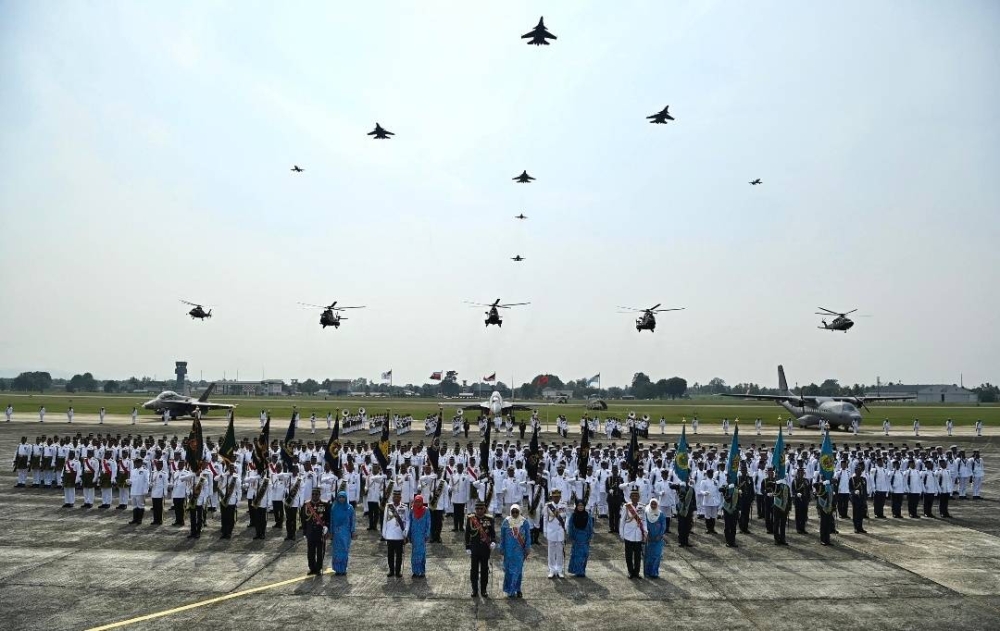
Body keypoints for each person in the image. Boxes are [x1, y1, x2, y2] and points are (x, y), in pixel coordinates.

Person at [466, 500, 497, 598]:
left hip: (485, 549)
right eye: (477, 509)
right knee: (474, 570)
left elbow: (492, 533)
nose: (479, 511)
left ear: (484, 509)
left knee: (484, 569)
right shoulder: (471, 519)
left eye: (481, 509)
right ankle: (474, 589)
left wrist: (493, 542)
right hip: (474, 548)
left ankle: (483, 589)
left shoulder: (490, 519)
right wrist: (467, 547)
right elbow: (467, 533)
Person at [499, 504, 529, 598]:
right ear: (510, 512)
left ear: (519, 512)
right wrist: (502, 548)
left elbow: (528, 536)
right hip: (508, 550)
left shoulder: (524, 522)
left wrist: (527, 547)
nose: (515, 513)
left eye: (517, 511)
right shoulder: (506, 522)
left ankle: (518, 589)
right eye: (513, 512)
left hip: (519, 550)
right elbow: (502, 537)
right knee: (509, 570)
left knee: (518, 570)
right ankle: (509, 590)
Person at [382, 488, 409, 578]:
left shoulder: (404, 507)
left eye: (398, 497)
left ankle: (397, 571)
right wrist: (384, 533)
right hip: (389, 535)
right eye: (395, 497)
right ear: (392, 497)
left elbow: (407, 521)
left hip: (399, 535)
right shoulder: (388, 506)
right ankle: (391, 571)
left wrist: (405, 532)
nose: (396, 498)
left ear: (400, 497)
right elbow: (385, 520)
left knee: (399, 555)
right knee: (390, 554)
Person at [620, 488, 646, 578]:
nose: (635, 497)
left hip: (638, 534)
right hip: (628, 534)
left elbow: (644, 521)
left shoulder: (642, 506)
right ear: (630, 497)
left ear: (639, 497)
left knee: (638, 556)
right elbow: (622, 521)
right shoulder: (626, 506)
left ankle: (637, 572)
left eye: (636, 496)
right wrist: (621, 533)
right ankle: (630, 572)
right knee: (629, 555)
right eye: (633, 496)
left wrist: (645, 531)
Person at [543, 488, 567, 578]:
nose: (556, 498)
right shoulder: (548, 506)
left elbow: (566, 517)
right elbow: (545, 519)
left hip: (560, 531)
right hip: (551, 530)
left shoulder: (564, 505)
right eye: (554, 497)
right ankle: (552, 569)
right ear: (551, 497)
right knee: (551, 552)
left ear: (560, 497)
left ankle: (560, 570)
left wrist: (566, 528)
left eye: (557, 497)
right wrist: (545, 531)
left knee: (560, 551)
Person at [566, 500, 593, 577]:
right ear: (576, 506)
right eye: (579, 506)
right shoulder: (573, 515)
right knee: (577, 555)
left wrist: (590, 536)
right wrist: (571, 536)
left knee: (584, 554)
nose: (580, 507)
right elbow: (570, 526)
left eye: (582, 506)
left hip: (585, 537)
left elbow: (590, 526)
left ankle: (582, 570)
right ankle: (579, 571)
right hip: (576, 537)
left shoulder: (587, 515)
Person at [643, 498, 667, 578]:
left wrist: (660, 535)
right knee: (648, 556)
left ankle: (654, 573)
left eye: (655, 504)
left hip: (658, 539)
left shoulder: (661, 514)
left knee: (657, 555)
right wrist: (647, 535)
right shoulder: (646, 513)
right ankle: (647, 572)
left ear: (657, 505)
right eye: (652, 504)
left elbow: (663, 526)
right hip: (649, 539)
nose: (653, 506)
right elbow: (644, 524)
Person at [409, 494, 431, 578]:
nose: (417, 503)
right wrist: (409, 535)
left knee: (421, 553)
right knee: (414, 554)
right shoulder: (412, 510)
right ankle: (415, 571)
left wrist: (427, 534)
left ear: (422, 502)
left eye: (419, 502)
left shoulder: (426, 510)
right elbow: (410, 523)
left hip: (422, 536)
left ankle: (421, 571)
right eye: (416, 501)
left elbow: (428, 523)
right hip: (414, 535)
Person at [675, 480, 695, 547]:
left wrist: (694, 508)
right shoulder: (680, 487)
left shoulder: (691, 489)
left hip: (689, 510)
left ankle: (686, 541)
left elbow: (694, 499)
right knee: (681, 526)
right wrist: (678, 486)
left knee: (688, 526)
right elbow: (672, 486)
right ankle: (681, 541)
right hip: (681, 510)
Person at [849, 464, 868, 533]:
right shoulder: (852, 479)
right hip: (855, 499)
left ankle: (860, 527)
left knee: (861, 514)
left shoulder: (863, 479)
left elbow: (865, 489)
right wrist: (854, 492)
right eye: (858, 471)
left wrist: (865, 498)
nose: (859, 472)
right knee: (856, 514)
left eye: (860, 471)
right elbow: (850, 489)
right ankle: (855, 527)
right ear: (855, 471)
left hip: (862, 499)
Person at [771, 478, 790, 545]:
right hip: (777, 506)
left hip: (784, 507)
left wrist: (789, 507)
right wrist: (777, 483)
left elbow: (789, 497)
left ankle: (782, 539)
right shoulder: (776, 485)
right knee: (776, 523)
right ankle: (776, 539)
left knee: (783, 524)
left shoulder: (786, 486)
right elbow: (773, 490)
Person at [815, 481, 835, 545]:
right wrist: (822, 483)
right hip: (822, 505)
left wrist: (834, 504)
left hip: (829, 506)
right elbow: (815, 485)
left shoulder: (830, 485)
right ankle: (823, 539)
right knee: (823, 523)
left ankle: (827, 539)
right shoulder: (821, 484)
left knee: (828, 523)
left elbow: (832, 495)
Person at [721, 482, 740, 547]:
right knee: (727, 526)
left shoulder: (737, 487)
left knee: (733, 526)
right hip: (727, 509)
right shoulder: (726, 486)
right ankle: (728, 541)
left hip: (735, 509)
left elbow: (739, 498)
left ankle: (733, 541)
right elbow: (721, 490)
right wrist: (727, 488)